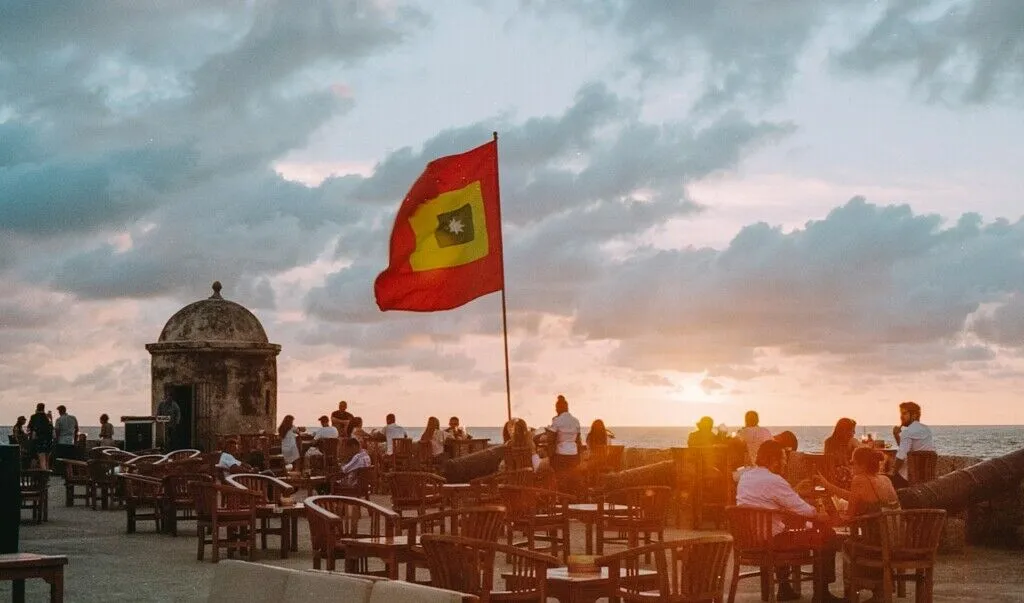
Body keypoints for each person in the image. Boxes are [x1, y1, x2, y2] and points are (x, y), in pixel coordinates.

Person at [736, 440, 842, 602]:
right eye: (784, 458)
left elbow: (771, 500)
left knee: (782, 530)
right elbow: (805, 510)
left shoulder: (746, 477)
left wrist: (794, 491)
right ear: (774, 460)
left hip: (750, 540)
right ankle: (822, 593)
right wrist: (821, 515)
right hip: (772, 542)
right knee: (827, 534)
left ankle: (784, 588)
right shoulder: (774, 480)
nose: (785, 463)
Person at [817, 447, 900, 519]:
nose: (851, 466)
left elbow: (850, 514)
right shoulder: (885, 479)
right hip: (897, 530)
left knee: (826, 518)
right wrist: (827, 485)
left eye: (852, 462)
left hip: (877, 533)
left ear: (862, 465)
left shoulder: (859, 479)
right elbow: (853, 497)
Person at [890, 401, 935, 488]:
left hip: (906, 478)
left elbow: (901, 456)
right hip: (924, 478)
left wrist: (892, 472)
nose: (901, 417)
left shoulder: (907, 432)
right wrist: (896, 436)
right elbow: (906, 450)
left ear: (914, 415)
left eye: (904, 413)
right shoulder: (927, 430)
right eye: (901, 414)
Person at [544, 394, 581, 473]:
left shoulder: (557, 420)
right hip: (574, 454)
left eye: (556, 408)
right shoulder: (576, 421)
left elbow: (550, 439)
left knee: (558, 475)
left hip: (561, 455)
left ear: (558, 408)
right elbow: (578, 440)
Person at [823, 417, 860, 488]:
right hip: (838, 477)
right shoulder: (830, 443)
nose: (854, 433)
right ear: (844, 431)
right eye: (852, 430)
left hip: (848, 475)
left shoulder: (852, 442)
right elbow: (829, 465)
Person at [53, 405, 80, 471]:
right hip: (71, 441)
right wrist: (75, 440)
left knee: (62, 459)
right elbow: (76, 429)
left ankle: (64, 473)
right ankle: (70, 473)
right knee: (70, 459)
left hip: (62, 441)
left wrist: (56, 440)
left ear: (60, 411)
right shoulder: (73, 418)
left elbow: (57, 431)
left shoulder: (59, 419)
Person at [27, 403, 53, 471]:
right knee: (47, 460)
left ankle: (42, 476)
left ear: (37, 408)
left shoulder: (34, 416)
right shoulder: (48, 417)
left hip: (38, 440)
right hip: (48, 440)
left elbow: (29, 428)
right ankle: (47, 476)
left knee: (39, 459)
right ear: (44, 408)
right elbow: (51, 428)